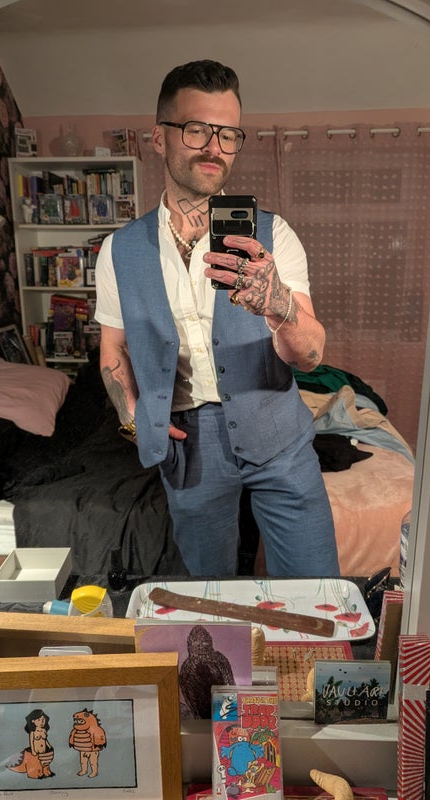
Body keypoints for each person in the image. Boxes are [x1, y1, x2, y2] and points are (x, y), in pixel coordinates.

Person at [95, 59, 340, 578]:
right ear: (158, 138)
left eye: (228, 135)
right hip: (189, 445)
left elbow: (311, 355)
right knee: (211, 594)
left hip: (278, 432)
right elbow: (113, 349)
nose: (214, 147)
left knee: (316, 585)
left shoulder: (273, 237)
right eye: (197, 129)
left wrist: (280, 305)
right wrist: (135, 421)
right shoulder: (119, 251)